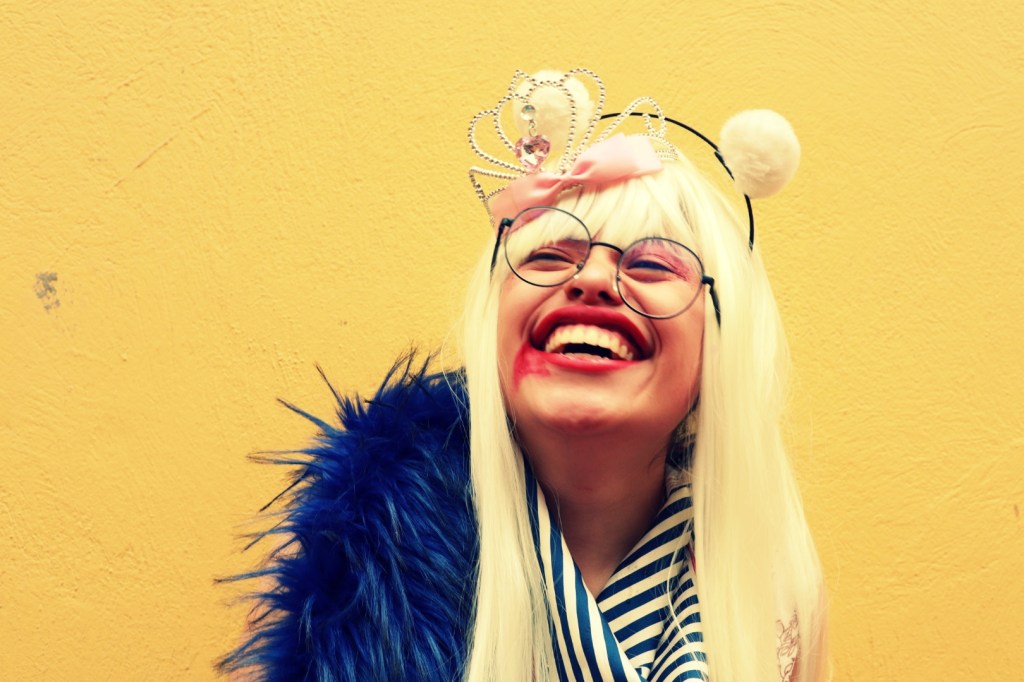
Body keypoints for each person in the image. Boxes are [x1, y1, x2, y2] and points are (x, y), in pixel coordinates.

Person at [221, 69, 829, 682]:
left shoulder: (775, 599)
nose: (592, 279)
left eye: (651, 264)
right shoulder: (346, 578)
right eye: (548, 255)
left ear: (718, 346)